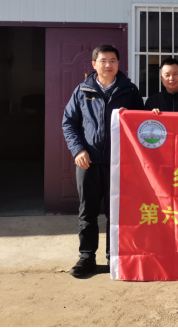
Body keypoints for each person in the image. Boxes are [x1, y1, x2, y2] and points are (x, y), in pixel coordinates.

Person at [62, 45, 145, 278]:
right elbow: (69, 123)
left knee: (116, 212)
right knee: (87, 212)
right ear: (94, 64)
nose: (108, 65)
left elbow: (141, 123)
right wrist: (78, 150)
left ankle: (114, 257)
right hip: (88, 162)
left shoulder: (129, 90)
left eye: (113, 60)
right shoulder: (82, 90)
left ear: (119, 64)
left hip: (119, 163)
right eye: (103, 60)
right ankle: (86, 257)